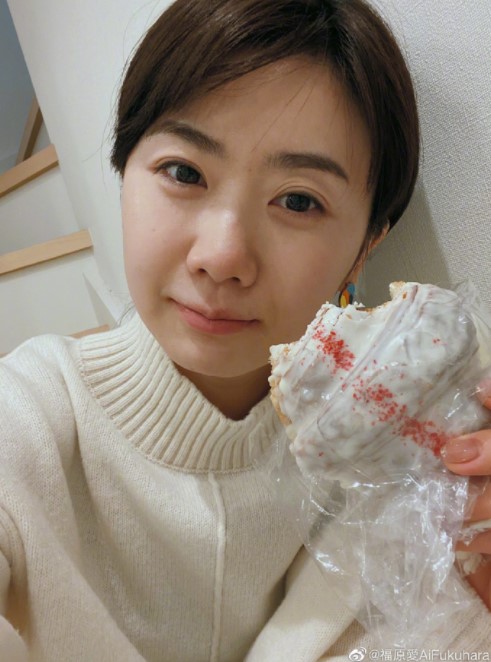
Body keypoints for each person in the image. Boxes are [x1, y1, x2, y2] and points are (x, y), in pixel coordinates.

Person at [1, 0, 491, 659]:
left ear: (366, 245)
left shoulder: (389, 450)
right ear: (122, 172)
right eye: (184, 172)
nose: (223, 255)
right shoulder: (27, 417)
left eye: (298, 200)